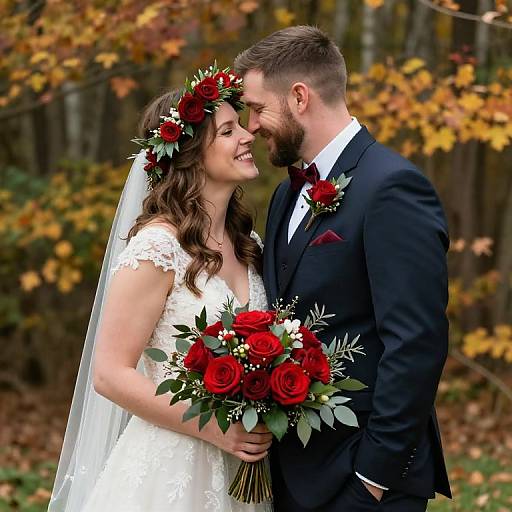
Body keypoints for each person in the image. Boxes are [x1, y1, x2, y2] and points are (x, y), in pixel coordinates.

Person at [235, 26, 452, 512]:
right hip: (293, 473)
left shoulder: (392, 188)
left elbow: (417, 342)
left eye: (256, 107)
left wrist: (372, 479)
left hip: (366, 482)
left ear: (298, 97)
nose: (250, 126)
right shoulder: (285, 193)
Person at [48, 65, 273, 512]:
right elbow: (110, 374)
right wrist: (214, 428)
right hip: (170, 469)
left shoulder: (251, 245)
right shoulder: (157, 247)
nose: (248, 135)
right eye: (228, 131)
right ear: (190, 154)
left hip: (240, 472)